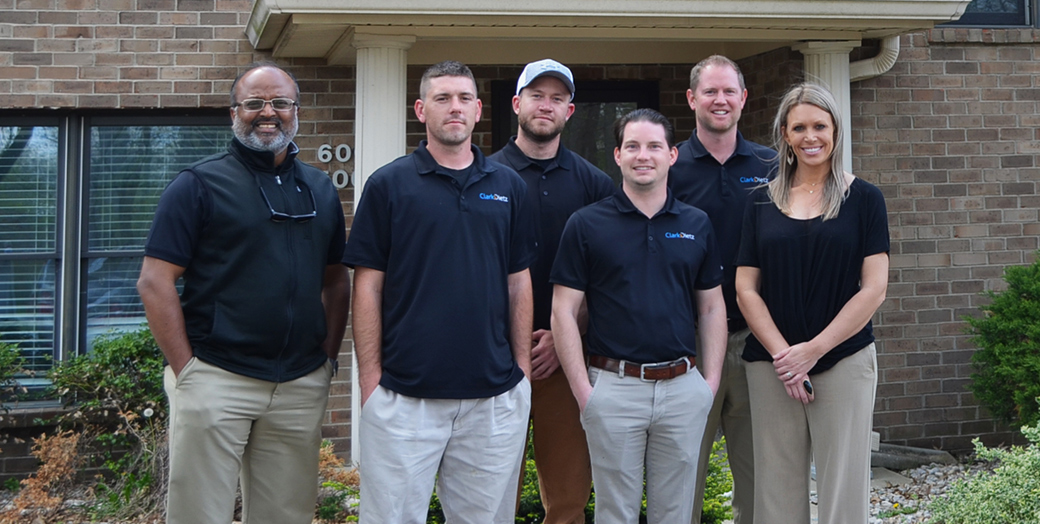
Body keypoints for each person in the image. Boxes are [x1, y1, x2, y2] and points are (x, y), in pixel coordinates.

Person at [137, 61, 350, 524]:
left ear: (297, 111)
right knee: (199, 515)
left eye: (280, 102)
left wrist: (327, 360)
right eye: (254, 103)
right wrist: (187, 372)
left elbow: (336, 279)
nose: (267, 112)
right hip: (216, 377)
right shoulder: (197, 185)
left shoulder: (319, 189)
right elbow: (154, 281)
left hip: (298, 383)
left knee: (286, 515)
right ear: (234, 112)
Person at [343, 60, 534, 524]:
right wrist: (370, 382)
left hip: (492, 399)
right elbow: (367, 286)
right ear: (420, 108)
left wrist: (522, 374)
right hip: (404, 399)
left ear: (478, 110)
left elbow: (518, 281)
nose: (455, 108)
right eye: (443, 98)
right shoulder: (389, 184)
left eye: (464, 98)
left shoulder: (507, 186)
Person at [551, 108, 727, 524]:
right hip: (613, 389)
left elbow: (712, 306)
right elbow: (563, 309)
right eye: (632, 146)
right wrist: (583, 391)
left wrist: (710, 385)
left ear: (672, 155)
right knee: (615, 513)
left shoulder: (696, 224)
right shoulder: (587, 224)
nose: (642, 155)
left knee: (677, 514)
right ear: (617, 155)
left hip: (683, 388)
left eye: (653, 146)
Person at [734, 82, 889, 524]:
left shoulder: (865, 199)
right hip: (772, 366)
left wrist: (813, 350)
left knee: (843, 487)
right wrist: (787, 357)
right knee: (776, 490)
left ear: (836, 131)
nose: (810, 136)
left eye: (819, 125)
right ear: (784, 134)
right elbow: (746, 287)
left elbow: (874, 288)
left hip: (843, 359)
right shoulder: (760, 202)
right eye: (799, 127)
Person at [488, 58, 616, 524]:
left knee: (567, 501)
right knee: (489, 496)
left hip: (566, 360)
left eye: (557, 98)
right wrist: (515, 339)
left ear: (571, 110)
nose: (547, 106)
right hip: (494, 362)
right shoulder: (484, 178)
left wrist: (568, 342)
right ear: (517, 103)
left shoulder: (596, 186)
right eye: (537, 96)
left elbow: (606, 278)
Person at [668, 55, 776, 524]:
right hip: (688, 345)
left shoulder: (773, 166)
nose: (720, 100)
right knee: (681, 474)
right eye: (710, 91)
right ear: (692, 99)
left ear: (743, 98)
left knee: (757, 477)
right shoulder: (669, 167)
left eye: (729, 91)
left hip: (758, 344)